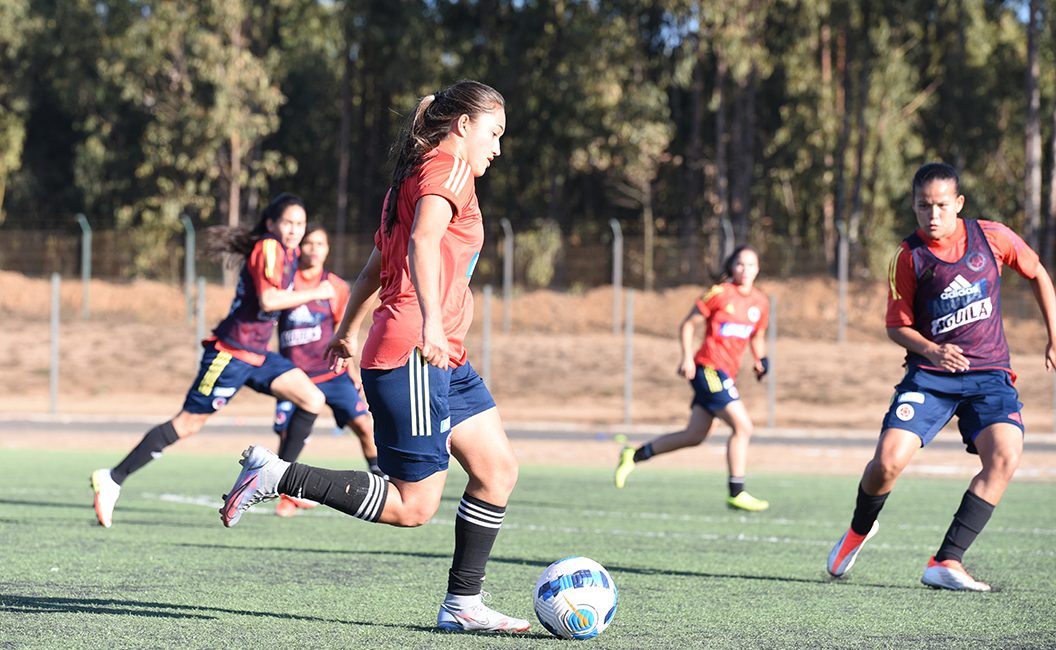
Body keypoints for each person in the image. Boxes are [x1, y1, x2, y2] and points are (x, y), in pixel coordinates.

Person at [217, 80, 530, 633]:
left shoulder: (412, 176)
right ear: (462, 126)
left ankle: (462, 605)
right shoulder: (449, 169)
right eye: (494, 133)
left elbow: (372, 268)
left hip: (440, 355)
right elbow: (421, 244)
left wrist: (346, 330)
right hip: (417, 351)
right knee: (414, 507)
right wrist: (432, 321)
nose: (498, 148)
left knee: (497, 470)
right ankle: (277, 475)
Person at [826, 162, 1056, 591]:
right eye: (922, 206)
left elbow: (1038, 273)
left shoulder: (992, 237)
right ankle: (859, 529)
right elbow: (896, 326)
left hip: (989, 375)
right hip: (930, 376)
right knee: (888, 462)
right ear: (914, 206)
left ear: (959, 204)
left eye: (941, 206)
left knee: (1005, 456)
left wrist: (1053, 337)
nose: (932, 215)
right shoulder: (908, 256)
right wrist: (932, 349)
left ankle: (946, 561)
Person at [90, 193, 334, 528]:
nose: (295, 230)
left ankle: (283, 481)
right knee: (188, 423)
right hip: (230, 353)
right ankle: (112, 478)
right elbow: (269, 298)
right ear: (271, 224)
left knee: (312, 398)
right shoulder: (269, 246)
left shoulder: (287, 251)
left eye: (300, 224)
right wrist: (317, 292)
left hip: (257, 354)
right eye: (288, 223)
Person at [613, 245, 771, 512]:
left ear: (758, 269)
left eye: (751, 265)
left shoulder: (760, 302)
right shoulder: (719, 293)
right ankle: (737, 490)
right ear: (732, 266)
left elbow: (757, 336)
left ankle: (634, 454)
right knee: (743, 427)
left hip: (725, 374)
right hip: (708, 368)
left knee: (695, 435)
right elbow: (688, 324)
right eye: (740, 264)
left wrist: (760, 359)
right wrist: (686, 357)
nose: (745, 270)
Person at [272, 223, 383, 518]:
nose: (313, 249)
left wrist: (353, 371)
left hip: (331, 373)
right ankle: (286, 495)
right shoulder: (285, 282)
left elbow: (343, 330)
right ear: (300, 247)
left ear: (327, 249)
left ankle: (382, 482)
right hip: (296, 376)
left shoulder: (335, 286)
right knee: (290, 437)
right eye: (309, 243)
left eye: (320, 244)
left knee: (364, 426)